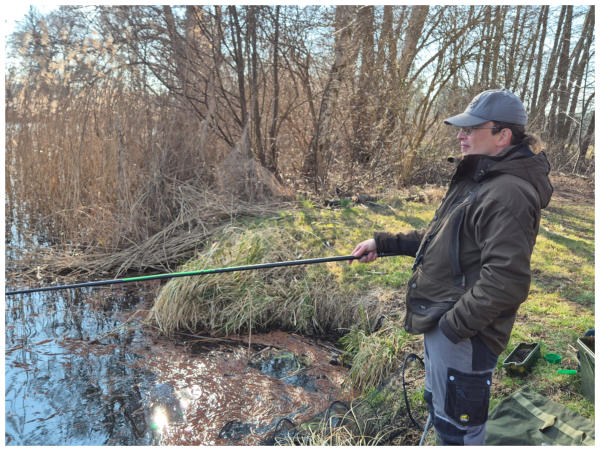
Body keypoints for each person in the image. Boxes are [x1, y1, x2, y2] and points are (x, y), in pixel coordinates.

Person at [351, 89, 553, 445]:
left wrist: (451, 327)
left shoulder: (509, 193)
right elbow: (442, 237)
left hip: (464, 335)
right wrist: (383, 244)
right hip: (444, 320)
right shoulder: (479, 178)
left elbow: (506, 281)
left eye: (470, 129)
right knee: (441, 411)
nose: (460, 135)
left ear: (502, 136)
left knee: (459, 432)